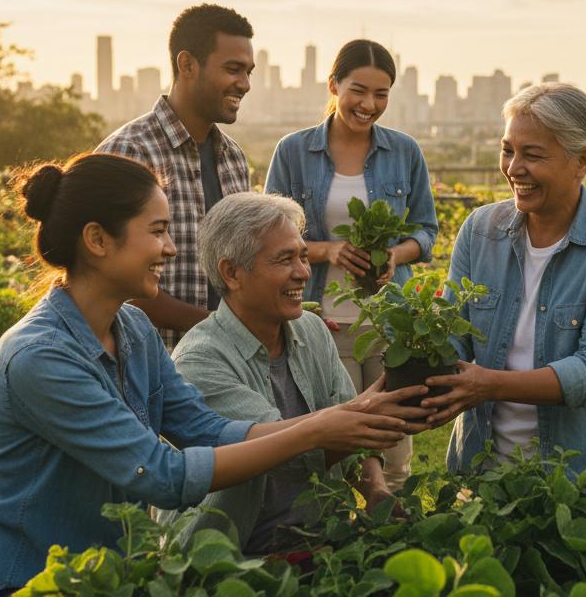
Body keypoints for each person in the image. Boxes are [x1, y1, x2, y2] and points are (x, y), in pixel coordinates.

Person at [0, 154, 422, 597]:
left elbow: (208, 431)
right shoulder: (39, 357)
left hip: (104, 576)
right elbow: (161, 474)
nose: (171, 249)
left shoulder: (131, 327)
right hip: (20, 581)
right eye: (157, 231)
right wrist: (318, 428)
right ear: (97, 241)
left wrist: (346, 419)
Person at [162, 193, 430, 553]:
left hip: (318, 539)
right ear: (232, 273)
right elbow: (283, 457)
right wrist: (366, 413)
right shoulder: (200, 361)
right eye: (284, 259)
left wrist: (376, 490)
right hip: (232, 556)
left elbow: (346, 428)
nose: (304, 272)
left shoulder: (311, 330)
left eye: (303, 255)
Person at [418, 84, 586, 476]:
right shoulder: (480, 231)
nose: (513, 168)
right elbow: (452, 333)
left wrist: (490, 385)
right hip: (483, 472)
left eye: (533, 155)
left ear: (583, 160)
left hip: (580, 479)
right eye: (508, 150)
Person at [264, 38, 438, 490]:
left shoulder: (405, 152)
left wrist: (394, 255)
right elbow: (269, 234)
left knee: (394, 438)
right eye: (358, 90)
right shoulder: (294, 151)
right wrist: (327, 251)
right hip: (323, 321)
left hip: (391, 321)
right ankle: (340, 534)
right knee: (338, 439)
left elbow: (426, 230)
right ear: (334, 85)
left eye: (381, 94)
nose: (369, 104)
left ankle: (393, 526)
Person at [97, 4, 256, 347]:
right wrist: (222, 327)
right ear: (187, 65)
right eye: (233, 69)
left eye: (249, 72)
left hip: (228, 365)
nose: (244, 84)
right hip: (153, 366)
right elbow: (110, 277)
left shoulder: (234, 159)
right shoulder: (130, 153)